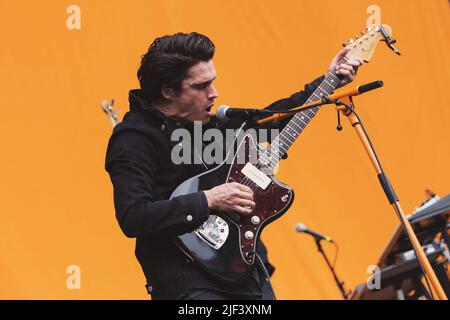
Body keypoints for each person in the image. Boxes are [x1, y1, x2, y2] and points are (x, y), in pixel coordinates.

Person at [105, 32, 361, 300]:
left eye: (212, 82)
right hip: (188, 286)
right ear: (169, 91)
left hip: (247, 279)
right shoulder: (133, 139)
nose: (213, 93)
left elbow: (270, 123)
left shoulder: (208, 125)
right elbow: (133, 217)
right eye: (201, 85)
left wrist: (328, 81)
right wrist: (209, 199)